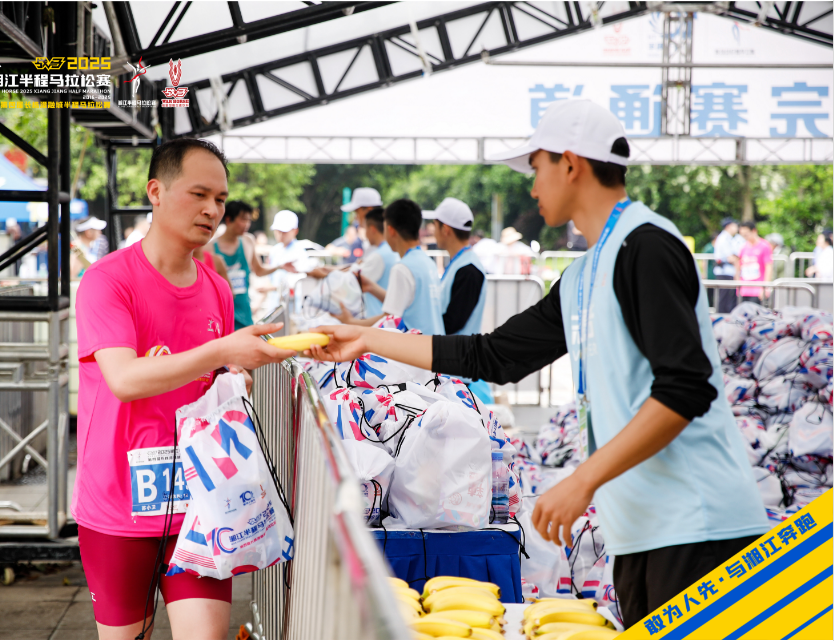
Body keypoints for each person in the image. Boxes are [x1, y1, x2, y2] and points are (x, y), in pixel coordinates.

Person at [308, 100, 767, 624]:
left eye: (536, 169)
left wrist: (581, 480)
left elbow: (685, 389)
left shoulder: (648, 246)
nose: (532, 187)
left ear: (570, 164)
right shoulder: (582, 274)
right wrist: (367, 342)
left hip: (699, 526)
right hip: (642, 530)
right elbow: (493, 355)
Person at [73, 137, 295, 640]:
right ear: (156, 191)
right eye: (199, 194)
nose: (212, 210)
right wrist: (222, 353)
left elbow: (218, 376)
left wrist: (243, 370)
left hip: (202, 507)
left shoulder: (215, 285)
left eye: (219, 198)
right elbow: (126, 380)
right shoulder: (108, 282)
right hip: (118, 509)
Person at [337, 199, 445, 335]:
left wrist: (351, 322)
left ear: (390, 230)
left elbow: (389, 320)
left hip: (417, 349)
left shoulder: (402, 268)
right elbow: (408, 304)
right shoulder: (427, 262)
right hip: (435, 344)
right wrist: (372, 287)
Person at [426, 198, 486, 335]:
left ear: (445, 229)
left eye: (435, 227)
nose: (434, 233)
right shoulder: (462, 263)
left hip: (459, 354)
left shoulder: (469, 270)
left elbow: (453, 323)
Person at [213, 200, 278, 329]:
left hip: (244, 310)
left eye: (249, 220)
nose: (247, 225)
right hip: (219, 313)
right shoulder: (209, 248)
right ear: (229, 219)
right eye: (243, 220)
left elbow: (258, 270)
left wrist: (280, 266)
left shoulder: (248, 241)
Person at [360, 206, 399, 317]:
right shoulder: (394, 252)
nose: (366, 234)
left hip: (378, 318)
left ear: (372, 229)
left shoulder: (378, 256)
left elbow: (353, 283)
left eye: (365, 229)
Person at [736, 221, 773, 304]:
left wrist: (765, 288)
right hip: (744, 289)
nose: (744, 237)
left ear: (754, 231)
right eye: (742, 235)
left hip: (757, 290)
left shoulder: (764, 246)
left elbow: (769, 267)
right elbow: (739, 267)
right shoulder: (743, 247)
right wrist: (738, 286)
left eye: (746, 234)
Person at [712, 218, 742, 313]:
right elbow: (730, 258)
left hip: (729, 271)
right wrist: (740, 259)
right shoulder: (723, 238)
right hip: (724, 271)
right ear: (728, 226)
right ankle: (721, 318)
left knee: (729, 298)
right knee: (724, 298)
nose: (736, 227)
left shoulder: (730, 238)